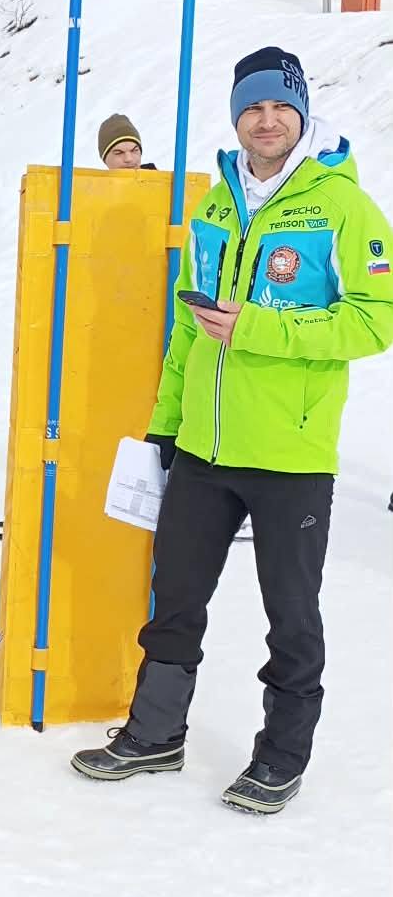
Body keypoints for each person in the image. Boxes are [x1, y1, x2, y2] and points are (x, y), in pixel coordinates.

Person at [73, 46, 393, 814]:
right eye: (253, 106)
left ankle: (281, 755)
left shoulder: (341, 204)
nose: (267, 118)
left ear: (302, 113)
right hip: (205, 451)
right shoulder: (215, 206)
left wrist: (258, 330)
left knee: (291, 613)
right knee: (175, 598)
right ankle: (155, 733)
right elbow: (189, 333)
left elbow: (376, 319)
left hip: (290, 453)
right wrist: (164, 426)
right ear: (237, 117)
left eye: (281, 106)